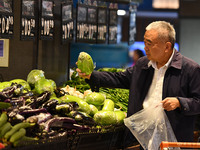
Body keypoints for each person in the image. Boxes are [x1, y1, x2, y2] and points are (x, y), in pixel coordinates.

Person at [76, 21, 200, 149]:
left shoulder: (190, 69)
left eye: (149, 43)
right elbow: (120, 79)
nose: (145, 47)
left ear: (167, 47)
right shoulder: (142, 65)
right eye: (145, 42)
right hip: (144, 137)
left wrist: (179, 102)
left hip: (174, 141)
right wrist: (91, 75)